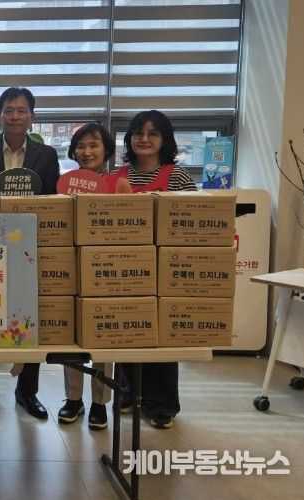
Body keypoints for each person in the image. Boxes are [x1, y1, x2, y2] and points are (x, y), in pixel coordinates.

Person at [0, 87, 60, 421]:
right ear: (0, 115)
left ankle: (27, 392)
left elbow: (52, 200)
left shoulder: (47, 155)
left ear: (32, 116)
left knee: (29, 315)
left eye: (21, 110)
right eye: (9, 110)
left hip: (30, 247)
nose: (15, 116)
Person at [115, 110, 197, 430]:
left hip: (164, 267)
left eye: (153, 133)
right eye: (138, 133)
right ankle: (127, 392)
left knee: (161, 335)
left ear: (165, 139)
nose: (144, 139)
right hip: (124, 265)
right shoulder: (118, 175)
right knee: (126, 329)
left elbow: (191, 222)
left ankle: (161, 403)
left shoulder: (177, 177)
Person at [58, 122, 119, 429]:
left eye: (94, 145)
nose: (87, 151)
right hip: (72, 266)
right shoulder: (64, 184)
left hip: (108, 269)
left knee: (104, 335)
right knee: (72, 337)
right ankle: (73, 399)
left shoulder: (119, 184)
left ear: (106, 150)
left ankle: (100, 402)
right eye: (81, 146)